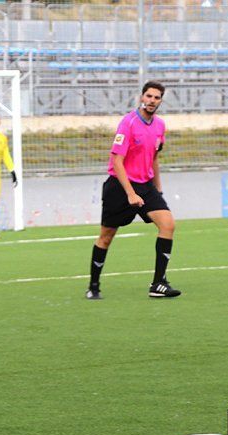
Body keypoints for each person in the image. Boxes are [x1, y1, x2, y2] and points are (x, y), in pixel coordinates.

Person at [87, 81, 181, 300]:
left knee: (168, 224)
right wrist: (130, 193)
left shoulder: (160, 126)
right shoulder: (128, 123)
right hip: (120, 186)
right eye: (148, 96)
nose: (152, 101)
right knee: (106, 237)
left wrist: (158, 188)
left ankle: (158, 284)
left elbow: (155, 158)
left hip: (145, 185)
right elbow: (117, 161)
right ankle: (93, 285)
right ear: (141, 97)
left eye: (156, 98)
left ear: (160, 101)